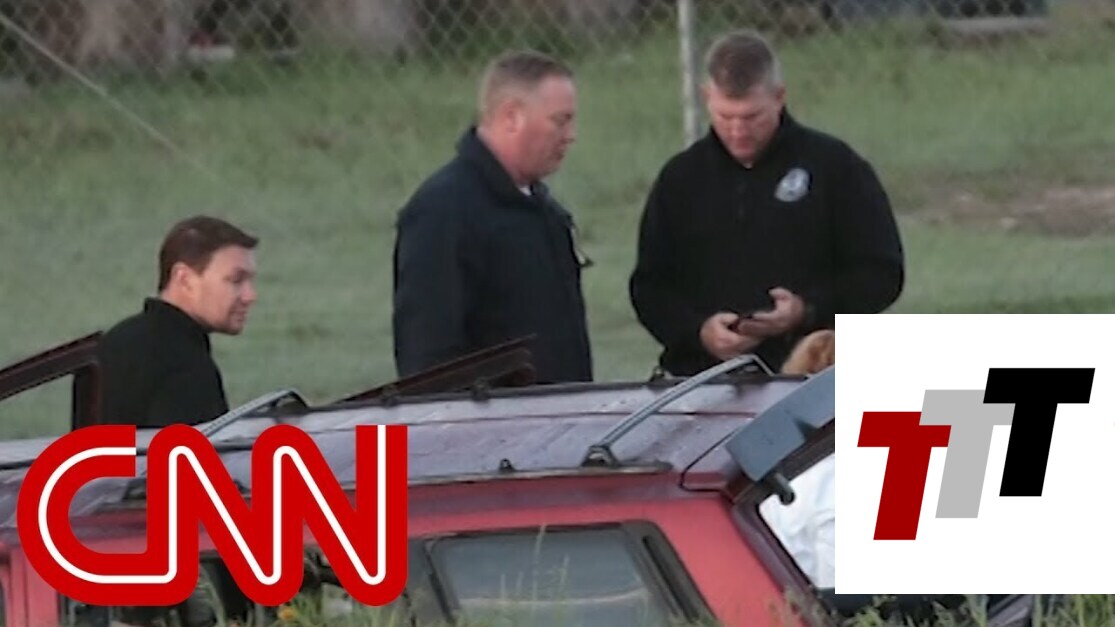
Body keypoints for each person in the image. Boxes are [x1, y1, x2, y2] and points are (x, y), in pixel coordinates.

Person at [629, 29, 904, 376]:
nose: (738, 131)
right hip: (704, 378)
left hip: (810, 375)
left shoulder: (834, 167)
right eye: (725, 117)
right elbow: (650, 287)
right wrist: (699, 332)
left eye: (752, 117)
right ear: (706, 97)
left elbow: (882, 272)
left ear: (779, 96)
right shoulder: (681, 179)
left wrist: (806, 310)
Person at [392, 49, 593, 384]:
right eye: (560, 121)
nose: (571, 135)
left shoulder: (544, 211)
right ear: (512, 116)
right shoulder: (442, 213)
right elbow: (427, 357)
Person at [96, 215, 259, 427]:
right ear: (185, 279)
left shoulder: (116, 340)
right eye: (236, 280)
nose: (250, 295)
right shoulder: (187, 366)